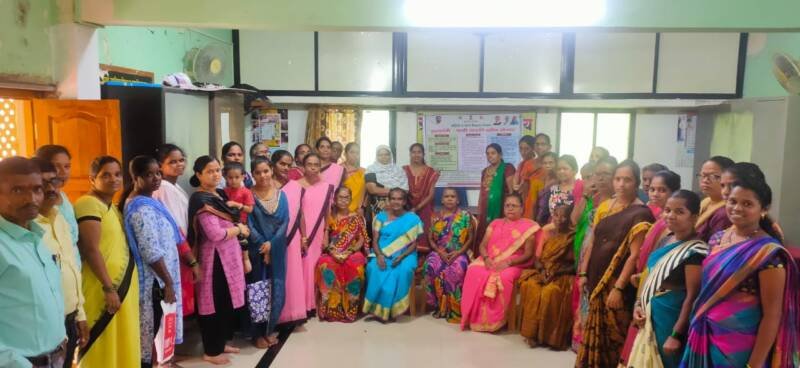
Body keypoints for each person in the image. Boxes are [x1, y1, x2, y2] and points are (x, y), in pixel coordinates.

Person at [681, 176, 799, 367]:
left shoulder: (768, 253)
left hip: (740, 345)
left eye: (747, 204)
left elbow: (772, 315)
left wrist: (754, 364)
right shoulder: (717, 239)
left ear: (764, 209)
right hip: (705, 333)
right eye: (732, 201)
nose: (737, 208)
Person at [576, 160, 655, 367]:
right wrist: (583, 274)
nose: (621, 184)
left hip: (615, 284)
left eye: (627, 180)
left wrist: (619, 288)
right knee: (593, 332)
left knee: (613, 336)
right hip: (594, 277)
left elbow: (634, 256)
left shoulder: (641, 213)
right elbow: (592, 242)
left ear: (636, 183)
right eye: (618, 179)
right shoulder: (606, 206)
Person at [626, 190, 707, 368]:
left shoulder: (695, 251)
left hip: (671, 316)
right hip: (651, 310)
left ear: (694, 216)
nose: (671, 216)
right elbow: (650, 275)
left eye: (680, 212)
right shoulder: (666, 240)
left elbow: (692, 296)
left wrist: (676, 335)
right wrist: (638, 304)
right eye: (668, 210)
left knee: (665, 361)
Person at [0, 157, 68, 368]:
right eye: (18, 191)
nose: (32, 199)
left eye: (37, 189)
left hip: (55, 358)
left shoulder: (36, 237)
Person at [75, 156, 141, 367]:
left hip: (122, 285)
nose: (113, 179)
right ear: (92, 179)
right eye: (106, 175)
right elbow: (91, 248)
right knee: (102, 342)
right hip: (102, 287)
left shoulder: (110, 206)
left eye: (117, 174)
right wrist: (109, 287)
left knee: (121, 338)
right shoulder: (88, 204)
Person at [120, 156, 183, 367]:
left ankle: (163, 362)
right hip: (155, 281)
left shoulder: (149, 201)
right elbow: (151, 251)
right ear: (135, 177)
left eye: (158, 173)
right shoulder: (141, 209)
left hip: (162, 278)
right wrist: (168, 282)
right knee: (155, 328)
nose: (156, 178)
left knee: (161, 326)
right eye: (149, 174)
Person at [187, 156, 248, 365]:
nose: (215, 174)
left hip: (229, 256)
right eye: (209, 171)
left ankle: (221, 343)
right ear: (198, 175)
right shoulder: (201, 200)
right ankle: (211, 351)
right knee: (213, 303)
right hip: (213, 259)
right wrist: (238, 229)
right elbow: (214, 234)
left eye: (217, 170)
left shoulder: (220, 194)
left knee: (226, 303)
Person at [619, 170, 681, 364]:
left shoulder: (672, 225)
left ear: (674, 192)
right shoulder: (657, 218)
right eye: (652, 189)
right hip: (645, 279)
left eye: (662, 190)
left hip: (659, 287)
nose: (655, 193)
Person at [29, 158, 87, 368]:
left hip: (69, 318)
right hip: (42, 326)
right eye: (42, 184)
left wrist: (80, 313)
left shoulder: (60, 219)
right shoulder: (26, 228)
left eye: (54, 182)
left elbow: (71, 267)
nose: (51, 188)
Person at [461, 194, 540, 332]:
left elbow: (528, 254)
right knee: (473, 269)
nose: (510, 208)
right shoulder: (495, 223)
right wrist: (486, 258)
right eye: (507, 205)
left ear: (522, 208)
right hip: (490, 258)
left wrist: (509, 262)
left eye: (514, 206)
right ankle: (472, 317)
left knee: (503, 277)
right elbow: (483, 245)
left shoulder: (529, 227)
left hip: (515, 262)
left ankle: (495, 320)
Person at [570, 156, 616, 352]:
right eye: (595, 175)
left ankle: (594, 343)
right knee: (582, 292)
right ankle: (580, 340)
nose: (599, 179)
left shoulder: (618, 202)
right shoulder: (592, 198)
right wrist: (586, 197)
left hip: (602, 254)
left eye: (605, 174)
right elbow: (573, 220)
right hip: (584, 246)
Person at [152, 144, 200, 318]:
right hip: (177, 251)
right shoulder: (164, 188)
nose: (179, 164)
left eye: (181, 160)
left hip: (182, 248)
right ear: (160, 165)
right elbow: (176, 227)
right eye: (172, 162)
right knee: (175, 304)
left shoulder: (174, 186)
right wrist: (190, 258)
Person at [519, 204, 576, 350]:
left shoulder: (572, 236)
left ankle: (547, 337)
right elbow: (537, 258)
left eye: (564, 216)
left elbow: (575, 265)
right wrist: (542, 270)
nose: (559, 219)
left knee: (549, 292)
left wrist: (556, 272)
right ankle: (531, 334)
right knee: (530, 286)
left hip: (562, 274)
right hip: (544, 271)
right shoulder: (547, 232)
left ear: (569, 218)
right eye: (556, 215)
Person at [363, 188, 423, 322]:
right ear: (388, 201)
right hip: (382, 251)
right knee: (373, 268)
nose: (396, 202)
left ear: (404, 201)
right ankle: (378, 311)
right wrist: (378, 256)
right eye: (393, 199)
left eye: (399, 199)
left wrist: (401, 257)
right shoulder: (380, 217)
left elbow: (413, 244)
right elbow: (375, 240)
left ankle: (391, 311)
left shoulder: (412, 219)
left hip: (406, 254)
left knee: (402, 271)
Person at [246, 158, 289, 348]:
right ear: (252, 175)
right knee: (257, 290)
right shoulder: (248, 196)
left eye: (266, 171)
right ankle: (256, 334)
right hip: (256, 251)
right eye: (258, 172)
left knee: (275, 288)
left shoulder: (282, 195)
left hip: (277, 250)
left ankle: (269, 329)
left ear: (271, 171)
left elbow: (284, 223)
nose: (262, 176)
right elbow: (248, 223)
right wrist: (262, 243)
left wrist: (272, 244)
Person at [315, 187, 369, 322]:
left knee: (356, 265)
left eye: (346, 198)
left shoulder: (357, 218)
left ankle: (350, 310)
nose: (344, 201)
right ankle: (329, 310)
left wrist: (350, 251)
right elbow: (326, 236)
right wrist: (331, 251)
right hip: (333, 251)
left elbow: (362, 239)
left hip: (352, 252)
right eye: (340, 197)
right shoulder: (330, 216)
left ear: (351, 199)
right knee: (325, 264)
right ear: (335, 199)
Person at [424, 187, 476, 323]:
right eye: (446, 196)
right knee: (431, 265)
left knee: (457, 268)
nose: (449, 199)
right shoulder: (435, 216)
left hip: (460, 251)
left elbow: (470, 238)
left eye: (453, 196)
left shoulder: (466, 216)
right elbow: (430, 238)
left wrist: (459, 252)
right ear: (442, 199)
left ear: (458, 200)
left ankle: (454, 308)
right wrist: (439, 251)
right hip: (439, 251)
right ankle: (438, 306)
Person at [295, 153, 335, 315]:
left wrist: (326, 233)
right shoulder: (295, 185)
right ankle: (301, 304)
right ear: (303, 166)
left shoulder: (327, 187)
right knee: (301, 267)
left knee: (314, 266)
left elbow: (327, 213)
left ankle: (314, 304)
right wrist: (300, 236)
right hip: (299, 232)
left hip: (318, 232)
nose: (312, 167)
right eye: (309, 164)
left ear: (320, 167)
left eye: (316, 164)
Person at [35, 145, 80, 268]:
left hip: (73, 264)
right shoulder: (41, 202)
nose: (63, 172)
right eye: (57, 166)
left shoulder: (64, 196)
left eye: (67, 166)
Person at [476, 143, 517, 246]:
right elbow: (482, 192)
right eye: (488, 154)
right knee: (485, 235)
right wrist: (480, 208)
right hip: (485, 209)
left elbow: (511, 191)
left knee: (499, 235)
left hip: (501, 209)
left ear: (500, 154)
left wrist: (510, 208)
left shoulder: (507, 167)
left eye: (493, 153)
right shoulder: (485, 171)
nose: (490, 156)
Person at [403, 143, 440, 253]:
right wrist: (408, 208)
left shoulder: (431, 172)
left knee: (424, 233)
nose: (416, 154)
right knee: (406, 233)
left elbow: (431, 194)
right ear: (410, 154)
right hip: (406, 208)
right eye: (413, 152)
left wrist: (418, 207)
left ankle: (423, 262)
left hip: (425, 207)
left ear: (423, 154)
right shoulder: (403, 170)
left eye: (419, 152)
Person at [365, 145, 408, 226]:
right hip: (378, 207)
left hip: (397, 206)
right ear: (376, 156)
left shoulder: (399, 170)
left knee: (396, 231)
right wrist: (395, 191)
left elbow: (405, 190)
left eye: (386, 154)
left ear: (390, 155)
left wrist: (384, 191)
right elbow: (372, 189)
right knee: (378, 231)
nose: (383, 157)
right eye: (380, 155)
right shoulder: (371, 169)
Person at [695, 156, 734, 242]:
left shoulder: (724, 213)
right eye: (703, 175)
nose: (705, 180)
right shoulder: (705, 202)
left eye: (713, 176)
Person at [535, 154, 583, 225]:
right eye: (559, 169)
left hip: (572, 230)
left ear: (574, 170)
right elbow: (545, 212)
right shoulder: (553, 189)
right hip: (552, 229)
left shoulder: (580, 187)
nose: (561, 171)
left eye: (565, 169)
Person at [342, 143, 366, 213]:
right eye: (352, 152)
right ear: (345, 154)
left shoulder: (363, 171)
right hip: (342, 209)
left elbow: (367, 193)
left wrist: (363, 206)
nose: (355, 155)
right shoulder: (339, 170)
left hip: (358, 210)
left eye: (357, 153)